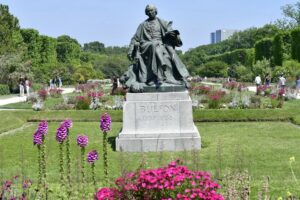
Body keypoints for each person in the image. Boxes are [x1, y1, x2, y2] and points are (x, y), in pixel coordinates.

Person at [122, 4, 189, 92]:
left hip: (161, 45)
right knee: (153, 45)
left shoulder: (162, 22)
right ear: (146, 13)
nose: (150, 12)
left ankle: (162, 73)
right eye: (148, 11)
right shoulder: (142, 25)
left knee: (157, 46)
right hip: (146, 46)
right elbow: (135, 39)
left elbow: (171, 31)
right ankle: (159, 70)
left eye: (152, 10)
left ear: (155, 11)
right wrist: (130, 50)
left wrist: (173, 35)